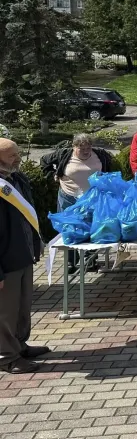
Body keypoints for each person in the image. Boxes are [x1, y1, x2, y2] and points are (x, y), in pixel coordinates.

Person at [0, 139, 49, 374]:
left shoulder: (16, 179)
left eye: (17, 154)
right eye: (12, 156)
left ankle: (19, 345)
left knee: (22, 307)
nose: (18, 159)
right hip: (5, 263)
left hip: (22, 255)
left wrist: (35, 242)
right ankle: (6, 357)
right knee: (4, 312)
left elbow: (27, 213)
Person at [41, 134, 115, 213]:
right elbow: (44, 160)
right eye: (82, 149)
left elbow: (109, 162)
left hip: (93, 198)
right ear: (74, 147)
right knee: (67, 223)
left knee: (89, 223)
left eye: (88, 148)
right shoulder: (64, 154)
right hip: (68, 198)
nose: (86, 151)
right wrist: (52, 175)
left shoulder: (100, 154)